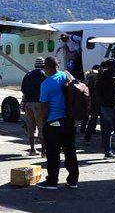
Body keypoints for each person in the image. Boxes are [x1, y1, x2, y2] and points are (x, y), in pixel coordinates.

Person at [36, 56, 79, 190]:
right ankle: (73, 180)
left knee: (53, 152)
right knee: (70, 150)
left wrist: (43, 124)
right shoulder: (66, 75)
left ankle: (52, 181)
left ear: (46, 67)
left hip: (54, 122)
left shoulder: (46, 84)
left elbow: (44, 107)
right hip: (69, 120)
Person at [21, 57, 47, 157]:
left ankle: (32, 149)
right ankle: (44, 152)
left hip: (28, 103)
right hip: (39, 104)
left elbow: (23, 89)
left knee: (31, 127)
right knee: (42, 128)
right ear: (43, 65)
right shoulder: (44, 75)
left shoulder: (28, 74)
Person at [83, 64, 102, 143]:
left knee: (88, 116)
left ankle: (84, 130)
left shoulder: (88, 74)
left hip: (89, 97)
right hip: (96, 100)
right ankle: (88, 135)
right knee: (95, 118)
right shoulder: (96, 75)